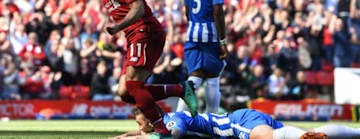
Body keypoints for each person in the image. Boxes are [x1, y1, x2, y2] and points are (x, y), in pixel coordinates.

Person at [82, 0, 197, 138]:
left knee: (134, 86)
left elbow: (138, 7)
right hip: (134, 36)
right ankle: (180, 89)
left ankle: (162, 131)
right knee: (125, 92)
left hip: (145, 32)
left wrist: (119, 26)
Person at [177, 0, 229, 114]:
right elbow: (217, 12)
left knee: (194, 76)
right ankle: (212, 123)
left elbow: (187, 10)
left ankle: (177, 121)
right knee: (213, 78)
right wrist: (222, 40)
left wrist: (193, 26)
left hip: (192, 33)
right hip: (210, 34)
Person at [113, 107, 360, 139]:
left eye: (141, 124)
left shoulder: (174, 120)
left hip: (235, 124)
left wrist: (144, 137)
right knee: (303, 134)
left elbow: (174, 135)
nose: (139, 127)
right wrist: (126, 136)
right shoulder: (160, 121)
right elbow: (147, 130)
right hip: (244, 117)